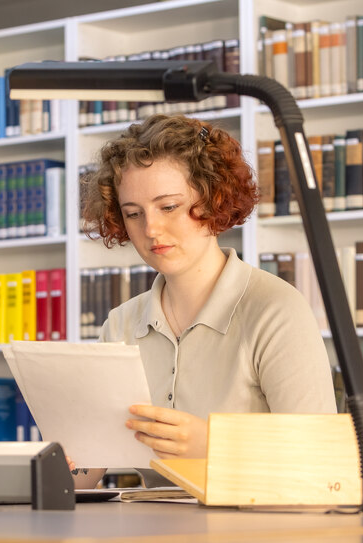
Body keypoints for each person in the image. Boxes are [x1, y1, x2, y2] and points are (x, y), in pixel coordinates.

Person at [71, 114, 336, 488]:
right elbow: (85, 472)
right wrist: (66, 460)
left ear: (213, 200)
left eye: (169, 207)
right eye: (133, 214)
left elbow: (323, 461)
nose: (151, 229)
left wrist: (214, 445)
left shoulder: (276, 309)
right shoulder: (121, 324)